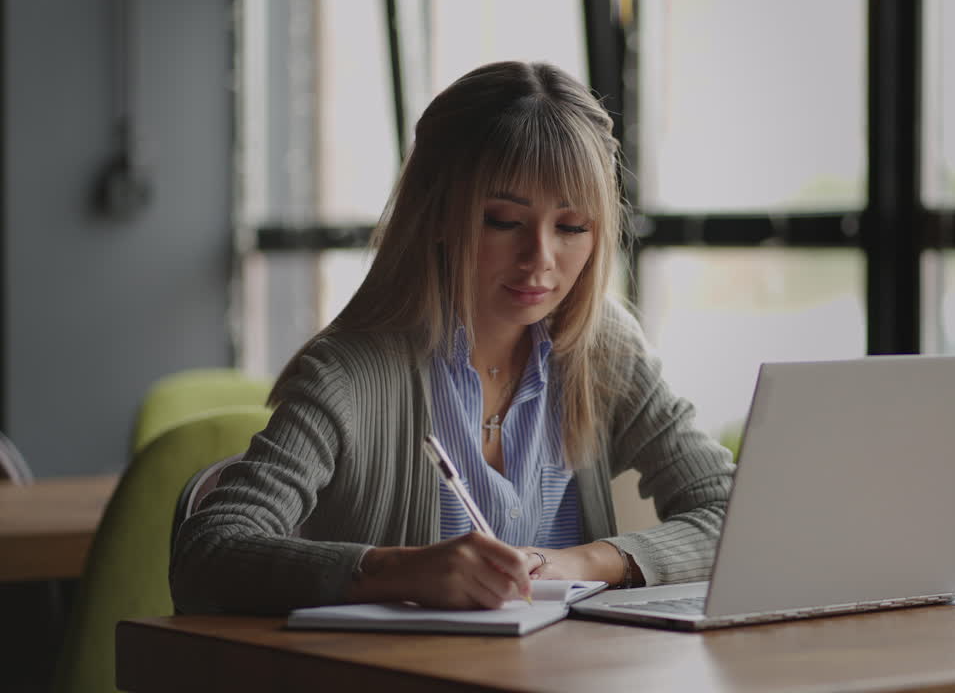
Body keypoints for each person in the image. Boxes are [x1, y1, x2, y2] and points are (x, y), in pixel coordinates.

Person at [170, 61, 736, 614]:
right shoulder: (347, 374)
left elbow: (736, 513)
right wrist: (398, 571)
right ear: (438, 215)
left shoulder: (604, 348)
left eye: (571, 227)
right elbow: (208, 553)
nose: (540, 259)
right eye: (503, 221)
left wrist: (587, 562)